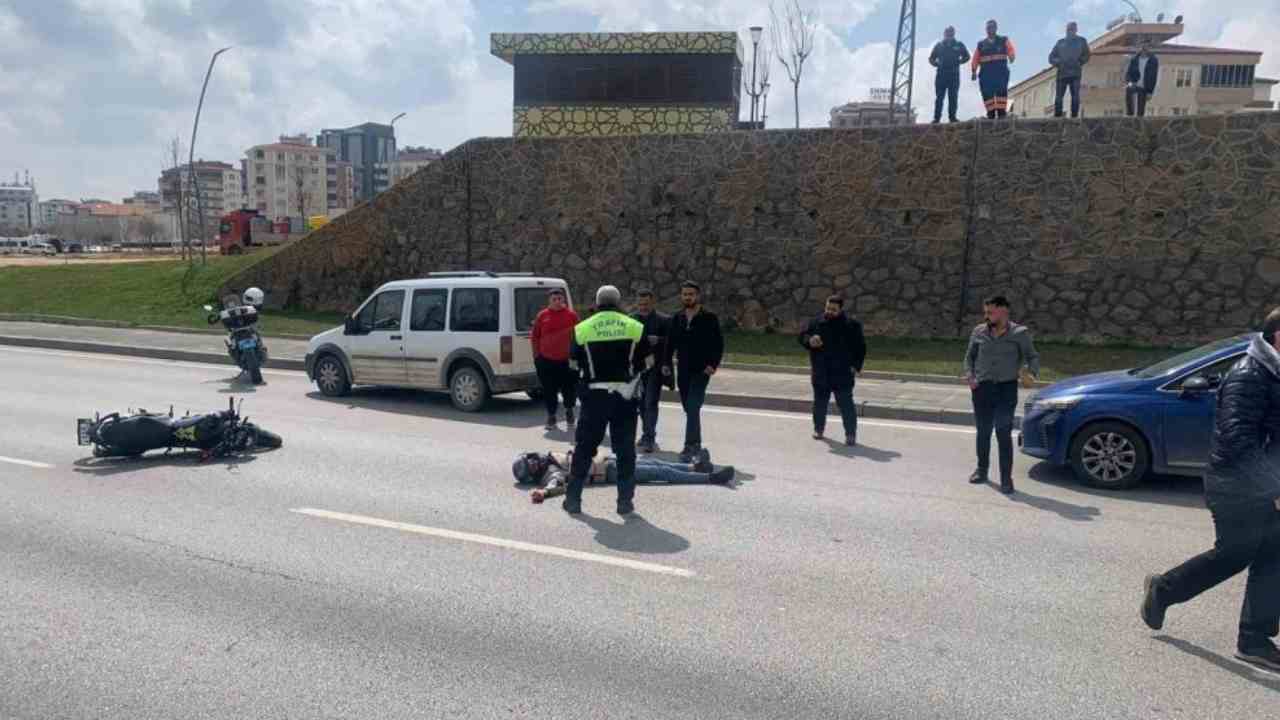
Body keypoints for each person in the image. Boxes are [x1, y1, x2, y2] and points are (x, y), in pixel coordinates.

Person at [1140, 310, 1280, 672]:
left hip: (1258, 483)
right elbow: (1238, 443)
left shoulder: (1273, 374)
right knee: (1234, 555)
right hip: (1237, 485)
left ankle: (1255, 639)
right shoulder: (1249, 378)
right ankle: (1164, 589)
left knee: (1272, 556)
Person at [563, 285, 650, 516]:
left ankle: (573, 500)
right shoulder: (635, 327)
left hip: (594, 397)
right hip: (625, 397)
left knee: (584, 448)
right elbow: (648, 361)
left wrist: (581, 388)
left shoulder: (581, 329)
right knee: (625, 451)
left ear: (597, 302)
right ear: (618, 302)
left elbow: (572, 366)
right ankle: (624, 502)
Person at [962, 295, 1039, 494]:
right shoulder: (979, 331)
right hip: (982, 389)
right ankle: (981, 471)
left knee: (1003, 433)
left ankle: (1006, 479)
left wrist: (1031, 373)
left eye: (991, 312)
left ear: (1004, 310)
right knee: (983, 432)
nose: (986, 316)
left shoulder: (1020, 333)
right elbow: (969, 358)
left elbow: (1032, 356)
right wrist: (970, 376)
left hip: (1006, 390)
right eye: (985, 312)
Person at [513, 448, 736, 504]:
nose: (534, 462)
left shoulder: (550, 458)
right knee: (662, 473)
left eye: (530, 460)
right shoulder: (551, 474)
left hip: (610, 461)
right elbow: (557, 486)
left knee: (655, 462)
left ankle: (695, 467)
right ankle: (712, 478)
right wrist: (544, 492)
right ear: (533, 475)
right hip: (610, 472)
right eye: (530, 467)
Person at [663, 281, 725, 464]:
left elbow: (718, 344)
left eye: (691, 294)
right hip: (683, 370)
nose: (687, 297)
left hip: (701, 371)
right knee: (689, 408)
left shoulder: (709, 318)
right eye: (684, 294)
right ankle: (694, 442)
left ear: (697, 296)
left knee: (692, 405)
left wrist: (712, 365)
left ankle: (691, 446)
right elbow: (670, 343)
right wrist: (666, 363)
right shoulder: (677, 318)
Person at [799, 295, 867, 446]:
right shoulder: (816, 322)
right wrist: (809, 341)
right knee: (820, 403)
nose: (829, 311)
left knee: (846, 404)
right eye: (827, 308)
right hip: (821, 371)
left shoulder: (851, 325)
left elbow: (860, 347)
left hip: (842, 373)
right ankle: (819, 429)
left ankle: (850, 434)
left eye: (833, 309)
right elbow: (802, 336)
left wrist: (855, 366)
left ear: (841, 309)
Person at [529, 288, 580, 431]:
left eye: (560, 299)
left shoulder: (571, 315)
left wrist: (576, 356)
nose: (557, 302)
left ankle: (569, 411)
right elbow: (535, 337)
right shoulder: (542, 316)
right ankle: (551, 416)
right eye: (554, 299)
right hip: (546, 361)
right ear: (549, 301)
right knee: (549, 390)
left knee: (569, 389)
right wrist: (536, 356)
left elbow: (579, 336)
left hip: (567, 361)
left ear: (563, 300)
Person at [632, 289, 672, 454]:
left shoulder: (664, 320)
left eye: (646, 304)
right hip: (636, 369)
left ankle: (649, 437)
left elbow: (671, 343)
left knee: (650, 403)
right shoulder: (630, 319)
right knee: (640, 405)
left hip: (655, 369)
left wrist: (659, 340)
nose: (643, 307)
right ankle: (647, 434)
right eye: (640, 304)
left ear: (652, 302)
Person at [971, 19, 1016, 119]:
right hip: (986, 74)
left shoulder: (1003, 40)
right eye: (988, 28)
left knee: (1001, 92)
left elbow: (1010, 49)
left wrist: (1011, 55)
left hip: (1000, 72)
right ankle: (990, 113)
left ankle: (1001, 113)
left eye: (991, 27)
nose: (989, 29)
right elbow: (975, 58)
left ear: (995, 28)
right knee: (987, 94)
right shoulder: (981, 44)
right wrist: (974, 70)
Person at [1049, 22, 1091, 118]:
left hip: (1072, 72)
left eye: (1071, 29)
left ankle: (1069, 117)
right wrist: (1060, 63)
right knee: (1061, 97)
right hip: (1064, 72)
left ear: (1075, 30)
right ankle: (1063, 117)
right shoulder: (1061, 42)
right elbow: (1051, 58)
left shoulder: (1081, 41)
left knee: (1073, 96)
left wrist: (1079, 62)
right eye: (1069, 29)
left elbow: (1087, 55)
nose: (1070, 31)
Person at [929, 26, 970, 124]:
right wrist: (937, 64)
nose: (949, 34)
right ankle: (936, 118)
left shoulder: (959, 45)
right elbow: (931, 58)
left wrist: (959, 62)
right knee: (939, 97)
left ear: (954, 34)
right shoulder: (939, 45)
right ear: (944, 33)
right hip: (941, 75)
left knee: (953, 97)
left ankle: (952, 118)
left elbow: (967, 56)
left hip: (954, 75)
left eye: (951, 33)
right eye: (947, 33)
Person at [1125, 43, 1160, 117]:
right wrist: (1130, 82)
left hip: (1144, 87)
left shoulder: (1153, 60)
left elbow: (1153, 77)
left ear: (1149, 48)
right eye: (1142, 47)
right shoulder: (1134, 59)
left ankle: (1139, 121)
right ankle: (1129, 115)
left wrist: (1150, 92)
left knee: (1140, 110)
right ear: (1140, 48)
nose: (1144, 48)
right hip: (1134, 84)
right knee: (1129, 89)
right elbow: (1128, 73)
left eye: (1146, 47)